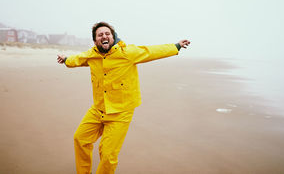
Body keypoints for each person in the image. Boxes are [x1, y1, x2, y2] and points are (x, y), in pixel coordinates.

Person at [57, 22, 190, 174]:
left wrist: (176, 46)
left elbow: (151, 51)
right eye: (100, 35)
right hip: (98, 109)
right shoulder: (92, 55)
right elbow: (78, 59)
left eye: (107, 33)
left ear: (113, 37)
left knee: (107, 154)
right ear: (95, 41)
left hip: (120, 113)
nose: (104, 36)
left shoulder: (127, 53)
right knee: (80, 139)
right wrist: (66, 59)